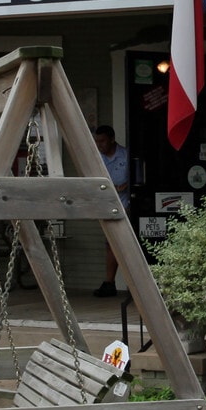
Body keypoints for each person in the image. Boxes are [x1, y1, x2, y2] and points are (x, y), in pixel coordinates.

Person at [94, 124, 128, 297]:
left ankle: (134, 282)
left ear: (112, 140)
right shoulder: (96, 158)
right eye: (97, 141)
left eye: (103, 141)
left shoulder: (126, 155)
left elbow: (137, 178)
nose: (100, 145)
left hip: (125, 204)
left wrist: (126, 185)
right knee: (110, 244)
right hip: (106, 205)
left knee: (125, 244)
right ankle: (109, 282)